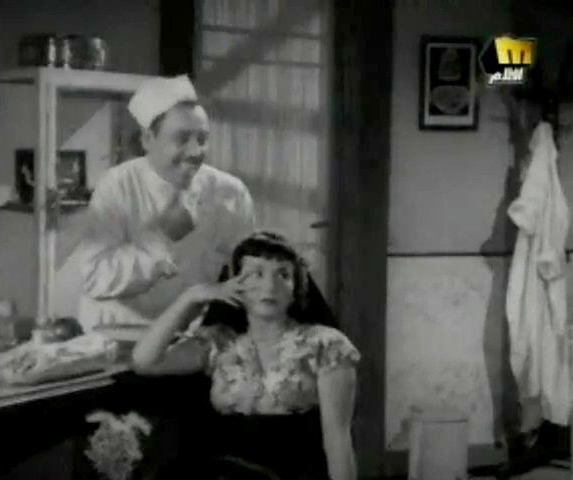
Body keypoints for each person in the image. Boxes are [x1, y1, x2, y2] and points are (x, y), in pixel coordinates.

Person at [132, 231, 361, 480]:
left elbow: (337, 440)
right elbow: (144, 361)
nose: (270, 286)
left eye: (283, 275)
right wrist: (193, 295)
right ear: (234, 285)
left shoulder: (326, 345)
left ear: (296, 289)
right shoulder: (218, 342)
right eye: (256, 274)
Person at [78, 75, 255, 331]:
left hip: (194, 335)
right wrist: (161, 238)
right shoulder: (117, 186)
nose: (196, 151)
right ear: (148, 139)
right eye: (182, 139)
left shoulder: (231, 192)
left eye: (202, 138)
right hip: (122, 332)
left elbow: (244, 276)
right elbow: (95, 278)